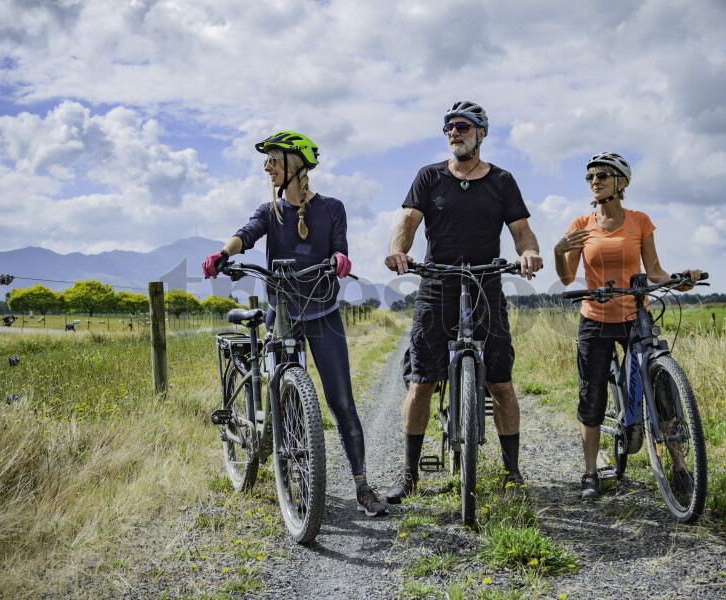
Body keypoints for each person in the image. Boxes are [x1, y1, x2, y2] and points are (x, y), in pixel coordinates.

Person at [202, 130, 388, 517]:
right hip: (282, 310)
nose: (267, 167)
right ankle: (294, 475)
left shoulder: (332, 208)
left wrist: (340, 259)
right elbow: (246, 235)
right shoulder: (269, 211)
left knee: (342, 402)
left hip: (323, 312)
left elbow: (340, 248)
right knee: (282, 394)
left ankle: (362, 485)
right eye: (266, 161)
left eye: (273, 159)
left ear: (296, 164)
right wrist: (223, 252)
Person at [383, 101, 543, 502]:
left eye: (463, 127)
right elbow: (407, 223)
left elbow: (522, 230)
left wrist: (528, 253)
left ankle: (512, 473)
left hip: (486, 282)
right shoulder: (430, 176)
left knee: (501, 383)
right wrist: (398, 250)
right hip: (438, 282)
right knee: (421, 381)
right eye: (449, 127)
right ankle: (409, 474)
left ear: (481, 134)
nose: (454, 132)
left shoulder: (502, 181)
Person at [553, 152, 702, 500]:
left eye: (602, 174)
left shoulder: (639, 221)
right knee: (591, 395)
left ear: (621, 182)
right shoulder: (580, 224)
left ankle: (679, 466)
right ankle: (590, 472)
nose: (594, 181)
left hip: (636, 314)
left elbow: (655, 273)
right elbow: (565, 278)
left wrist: (682, 281)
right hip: (595, 318)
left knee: (661, 386)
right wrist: (559, 250)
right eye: (590, 176)